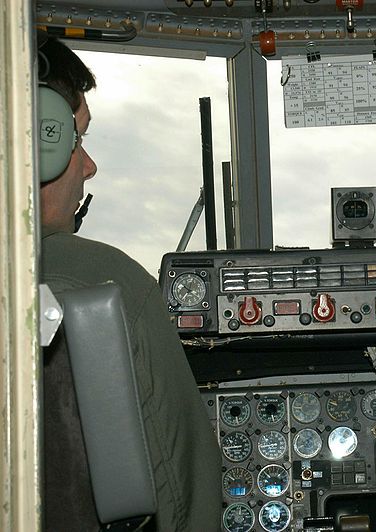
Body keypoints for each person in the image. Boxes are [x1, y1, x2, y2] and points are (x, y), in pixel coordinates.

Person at [37, 34, 221, 531]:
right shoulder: (104, 282)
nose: (89, 166)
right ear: (37, 142)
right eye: (78, 140)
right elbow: (187, 503)